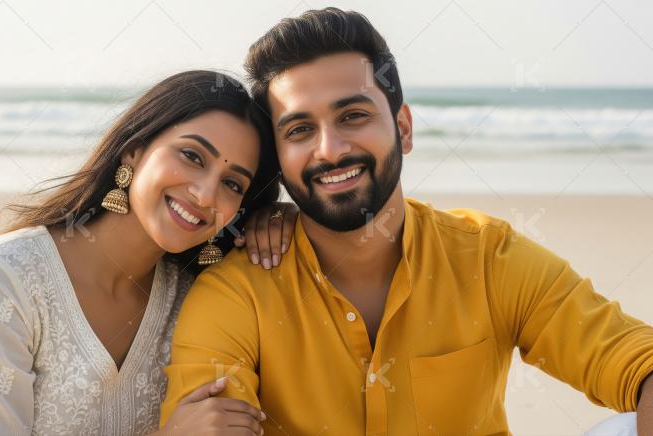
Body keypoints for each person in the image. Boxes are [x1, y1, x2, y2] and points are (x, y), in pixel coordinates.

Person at [159, 9, 653, 435]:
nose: (329, 150)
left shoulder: (487, 256)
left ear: (403, 127)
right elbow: (205, 417)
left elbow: (633, 360)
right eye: (300, 129)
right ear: (280, 158)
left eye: (352, 116)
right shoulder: (237, 293)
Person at [0, 70, 299, 435]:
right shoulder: (3, 280)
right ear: (134, 150)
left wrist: (285, 220)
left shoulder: (197, 301)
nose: (205, 195)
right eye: (192, 157)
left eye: (232, 184)